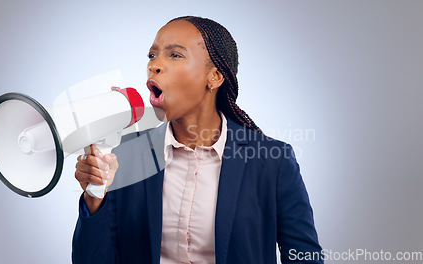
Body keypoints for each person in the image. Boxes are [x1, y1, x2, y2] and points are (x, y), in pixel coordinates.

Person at [72, 16, 323, 264]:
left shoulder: (272, 162)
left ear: (214, 77)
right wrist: (95, 197)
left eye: (175, 55)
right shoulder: (125, 155)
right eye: (152, 55)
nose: (154, 65)